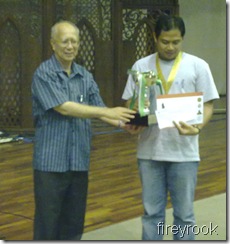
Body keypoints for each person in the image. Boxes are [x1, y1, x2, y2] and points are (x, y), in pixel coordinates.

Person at [31, 20, 135, 240]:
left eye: (74, 41)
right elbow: (64, 108)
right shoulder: (44, 73)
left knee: (74, 223)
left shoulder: (85, 76)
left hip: (79, 161)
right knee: (47, 224)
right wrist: (107, 113)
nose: (70, 46)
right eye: (65, 41)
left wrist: (126, 124)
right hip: (50, 164)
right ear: (53, 44)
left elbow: (102, 110)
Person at [122, 15, 219, 240]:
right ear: (155, 38)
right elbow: (129, 102)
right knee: (152, 213)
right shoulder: (141, 66)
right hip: (149, 151)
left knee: (184, 215)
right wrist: (133, 121)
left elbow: (208, 105)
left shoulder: (198, 66)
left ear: (182, 39)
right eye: (165, 41)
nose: (170, 47)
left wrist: (198, 127)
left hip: (184, 152)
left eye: (176, 42)